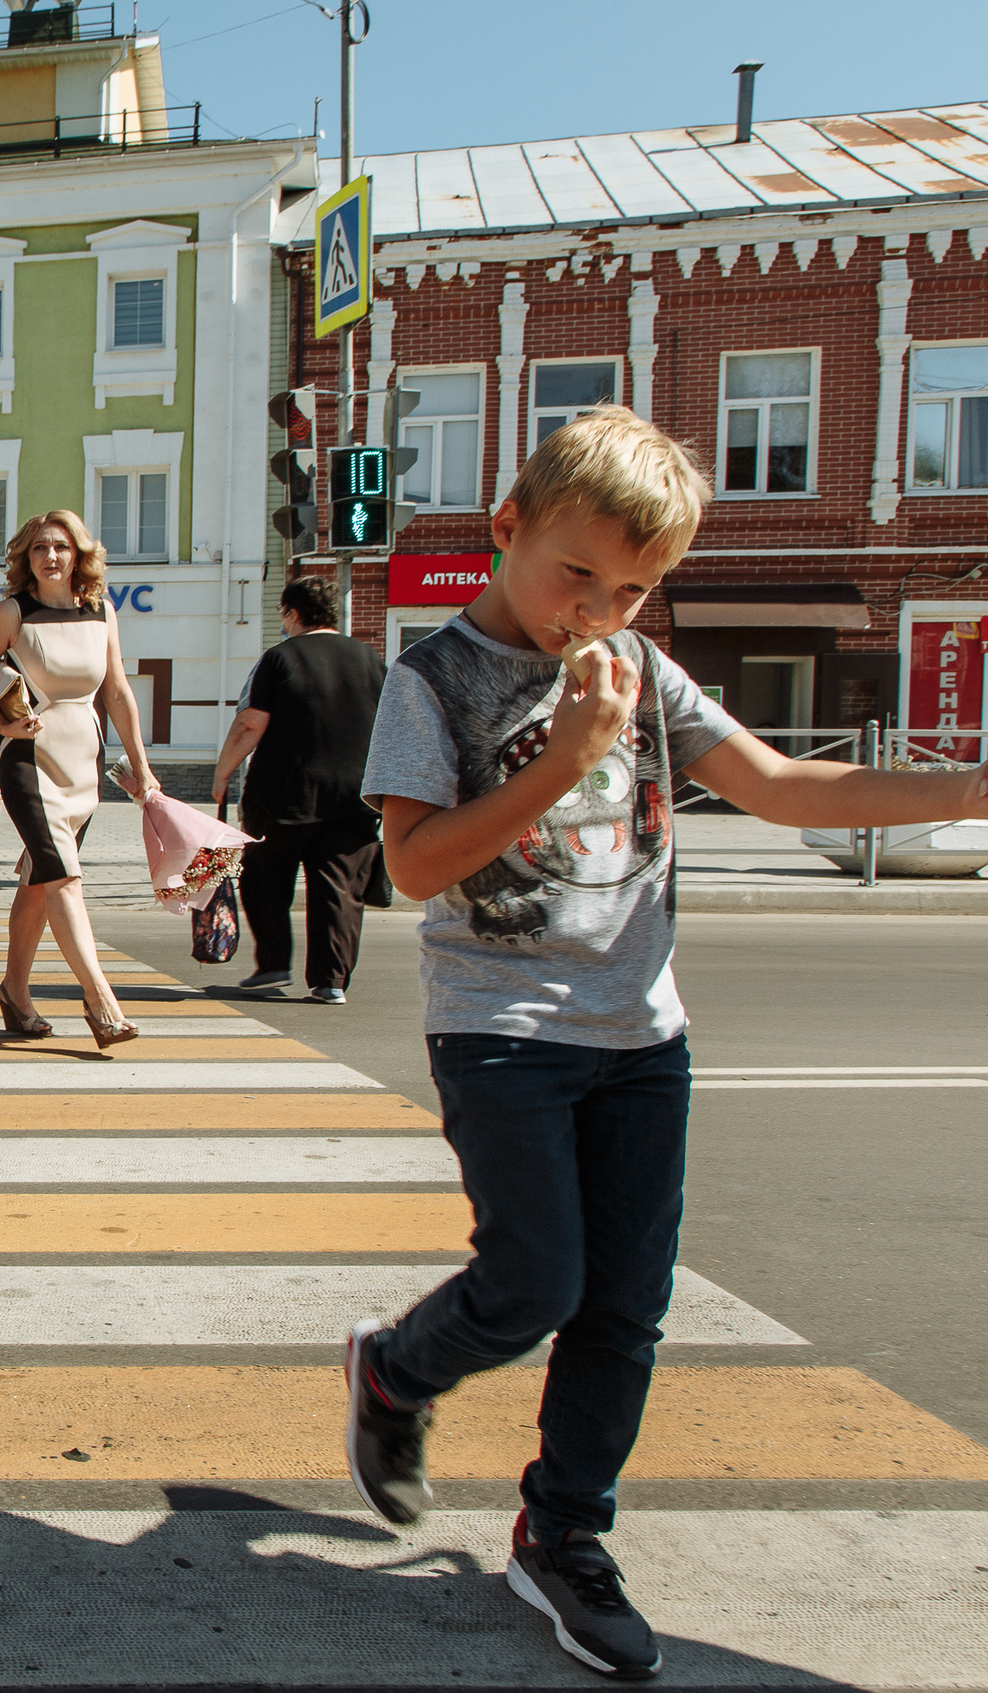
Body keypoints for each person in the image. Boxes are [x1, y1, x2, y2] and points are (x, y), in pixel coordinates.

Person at [348, 406, 988, 1680]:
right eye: (574, 573)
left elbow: (787, 786)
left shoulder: (643, 669)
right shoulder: (433, 680)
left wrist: (968, 787)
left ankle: (566, 1533)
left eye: (633, 588)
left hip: (643, 1032)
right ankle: (394, 1372)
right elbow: (413, 867)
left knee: (627, 1306)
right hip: (504, 1030)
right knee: (534, 1282)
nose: (596, 609)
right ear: (506, 529)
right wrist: (563, 758)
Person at [0, 509, 160, 1048]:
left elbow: (116, 690)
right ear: (27, 558)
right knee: (64, 875)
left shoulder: (100, 611)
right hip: (28, 757)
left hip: (85, 758)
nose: (51, 556)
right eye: (39, 549)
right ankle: (101, 1001)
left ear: (79, 554)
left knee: (38, 877)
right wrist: (5, 722)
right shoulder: (11, 613)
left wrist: (140, 767)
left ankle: (13, 991)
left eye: (61, 547)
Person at [211, 576, 387, 1003]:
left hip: (282, 795)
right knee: (339, 889)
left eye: (283, 616)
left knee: (265, 879)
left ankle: (273, 965)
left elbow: (251, 723)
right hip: (355, 797)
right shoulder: (371, 660)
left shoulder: (279, 658)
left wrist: (221, 776)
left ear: (291, 613)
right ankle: (331, 982)